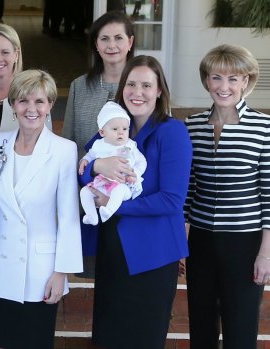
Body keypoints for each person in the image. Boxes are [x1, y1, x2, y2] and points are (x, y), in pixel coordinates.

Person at [80, 55, 192, 349]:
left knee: (142, 339)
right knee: (108, 337)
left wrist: (114, 204)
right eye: (131, 84)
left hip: (153, 255)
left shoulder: (172, 132)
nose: (137, 92)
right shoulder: (112, 130)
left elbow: (172, 200)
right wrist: (96, 167)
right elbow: (81, 172)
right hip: (113, 250)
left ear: (159, 91)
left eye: (146, 85)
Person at [0, 69, 83, 349]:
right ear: (12, 105)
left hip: (41, 270)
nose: (31, 109)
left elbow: (69, 217)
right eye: (23, 101)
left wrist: (62, 272)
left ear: (49, 107)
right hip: (1, 262)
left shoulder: (63, 150)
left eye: (39, 102)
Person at [185, 44, 270, 349]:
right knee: (202, 324)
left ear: (246, 81)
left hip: (245, 243)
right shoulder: (191, 126)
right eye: (217, 77)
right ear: (206, 80)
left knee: (241, 326)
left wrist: (265, 253)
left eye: (234, 79)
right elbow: (189, 190)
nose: (224, 87)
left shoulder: (264, 128)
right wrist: (182, 240)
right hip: (201, 242)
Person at [61, 10, 135, 277]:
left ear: (130, 42)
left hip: (129, 195)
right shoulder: (79, 87)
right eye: (104, 38)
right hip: (88, 193)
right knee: (93, 274)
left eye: (118, 38)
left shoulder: (143, 86)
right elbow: (68, 143)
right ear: (95, 44)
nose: (111, 45)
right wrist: (93, 166)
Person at [79, 101, 146, 225]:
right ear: (102, 132)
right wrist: (85, 160)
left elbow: (142, 162)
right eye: (115, 129)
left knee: (119, 191)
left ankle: (108, 211)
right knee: (85, 192)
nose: (121, 132)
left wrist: (134, 173)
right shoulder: (98, 144)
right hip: (101, 184)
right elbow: (91, 154)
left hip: (123, 184)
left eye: (125, 129)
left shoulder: (130, 146)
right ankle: (91, 216)